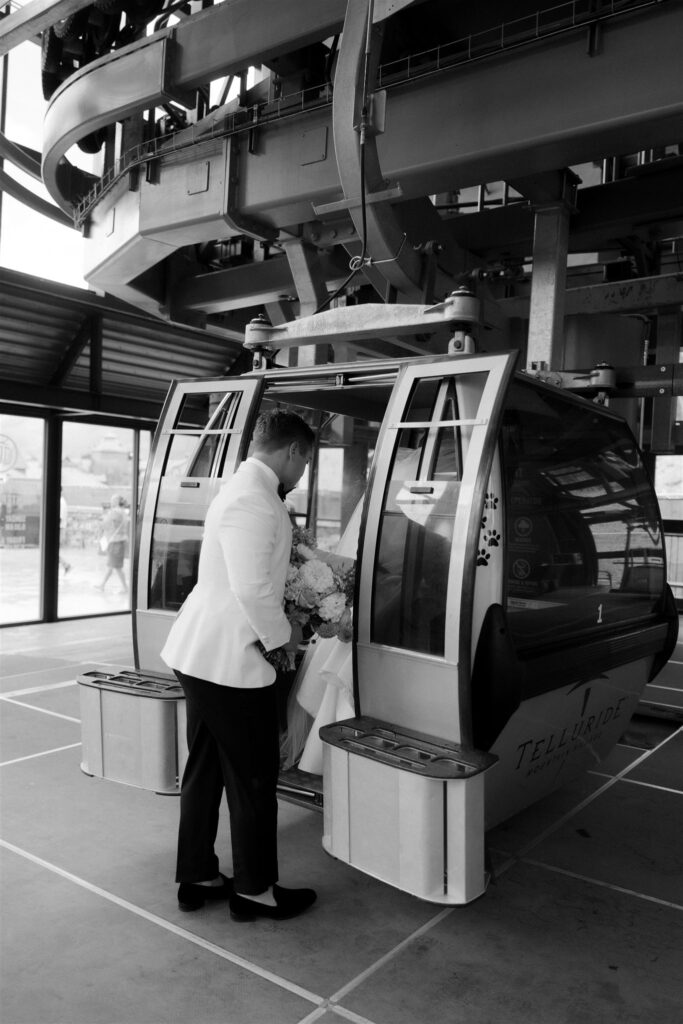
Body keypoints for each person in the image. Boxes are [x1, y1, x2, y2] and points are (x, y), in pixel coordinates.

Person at [160, 409, 318, 922]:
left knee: (205, 768)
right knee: (252, 775)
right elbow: (252, 588)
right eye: (305, 462)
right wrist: (284, 640)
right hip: (229, 659)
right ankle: (254, 889)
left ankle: (198, 872)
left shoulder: (241, 489)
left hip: (202, 652)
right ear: (292, 451)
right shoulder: (255, 498)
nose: (302, 474)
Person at [96, 494, 129, 593]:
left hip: (115, 542)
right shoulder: (124, 512)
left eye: (112, 500)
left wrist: (100, 524)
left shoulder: (115, 512)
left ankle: (125, 587)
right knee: (112, 566)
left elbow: (106, 524)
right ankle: (103, 585)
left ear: (116, 502)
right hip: (119, 541)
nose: (111, 502)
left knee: (116, 567)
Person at [59, 490, 71, 575]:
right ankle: (65, 565)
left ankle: (66, 565)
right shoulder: (62, 501)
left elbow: (60, 518)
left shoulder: (61, 502)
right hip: (61, 528)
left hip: (60, 528)